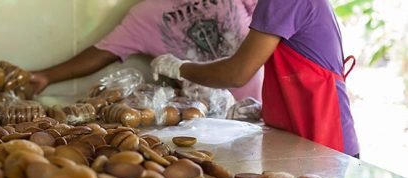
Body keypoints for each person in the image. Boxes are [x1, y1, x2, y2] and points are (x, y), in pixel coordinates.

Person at [151, 0, 359, 156]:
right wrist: (270, 109)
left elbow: (236, 73)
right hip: (305, 132)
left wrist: (180, 68)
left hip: (326, 134)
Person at [29, 0, 262, 101]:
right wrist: (46, 77)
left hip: (262, 111)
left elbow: (276, 30)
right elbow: (102, 52)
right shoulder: (146, 15)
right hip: (208, 123)